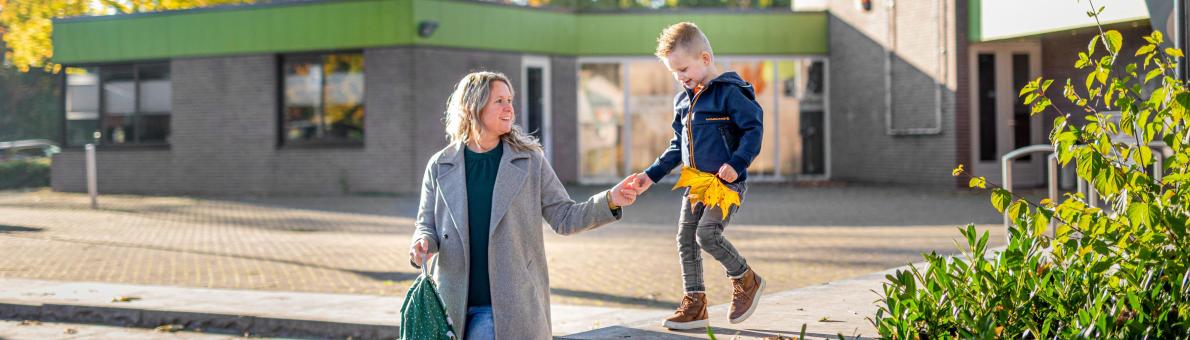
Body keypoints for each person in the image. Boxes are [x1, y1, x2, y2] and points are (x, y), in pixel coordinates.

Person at [408, 71, 640, 339]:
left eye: (510, 100)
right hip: (450, 304)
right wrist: (422, 244)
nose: (509, 108)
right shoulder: (440, 165)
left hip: (510, 305)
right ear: (474, 105)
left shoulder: (529, 161)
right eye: (499, 101)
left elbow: (564, 217)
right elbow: (426, 224)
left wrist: (610, 200)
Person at [630, 22, 766, 330]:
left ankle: (747, 279)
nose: (680, 78)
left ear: (705, 58)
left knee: (707, 234)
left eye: (683, 69)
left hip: (724, 183)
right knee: (685, 239)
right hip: (696, 184)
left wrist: (737, 162)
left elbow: (753, 129)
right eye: (674, 73)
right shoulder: (683, 100)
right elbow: (677, 145)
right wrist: (650, 176)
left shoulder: (730, 93)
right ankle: (695, 304)